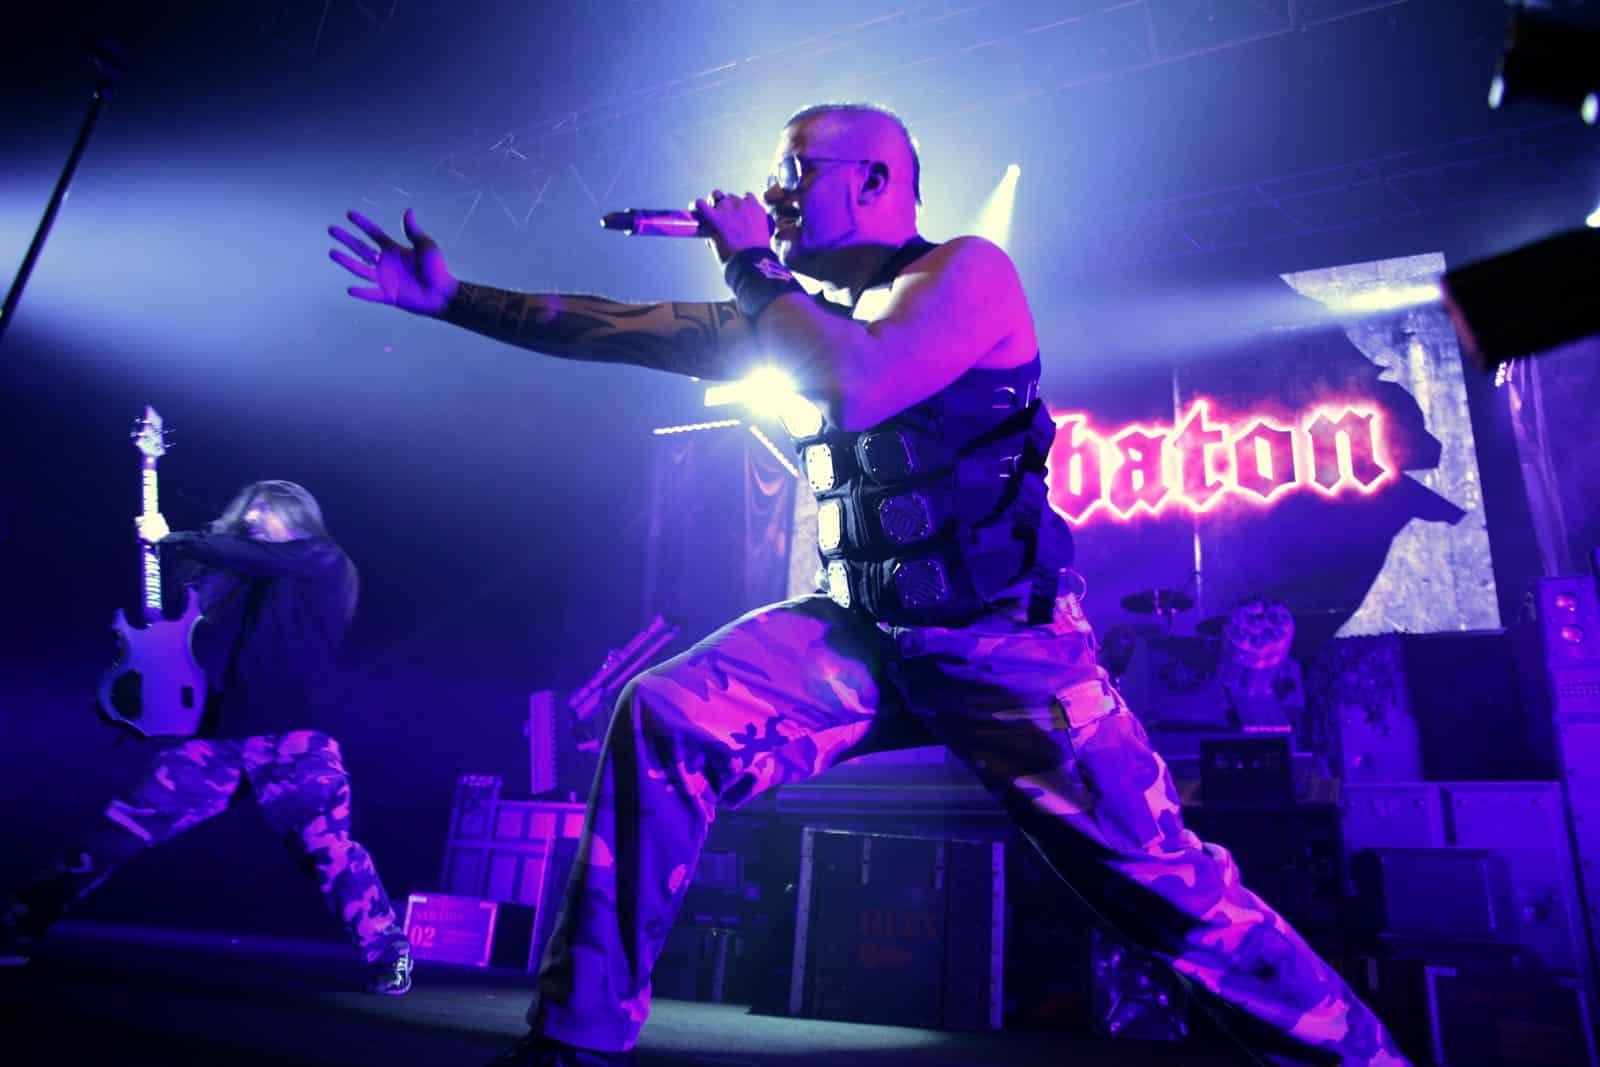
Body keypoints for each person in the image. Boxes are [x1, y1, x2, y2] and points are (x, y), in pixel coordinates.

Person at [325, 103, 1410, 1065]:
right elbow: (616, 328)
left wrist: (753, 266)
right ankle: (577, 1038)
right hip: (863, 637)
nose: (774, 192)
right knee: (662, 714)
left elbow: (860, 382)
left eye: (797, 171)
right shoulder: (792, 311)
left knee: (1172, 895)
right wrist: (455, 299)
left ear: (878, 180)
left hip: (1006, 650)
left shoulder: (967, 273)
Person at [0, 480, 413, 996]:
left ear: (298, 517)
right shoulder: (249, 581)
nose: (252, 518)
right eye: (249, 510)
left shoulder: (324, 562)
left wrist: (172, 536)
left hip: (296, 743)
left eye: (266, 509)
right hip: (221, 738)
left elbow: (243, 553)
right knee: (122, 826)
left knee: (327, 852)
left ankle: (387, 951)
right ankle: (20, 924)